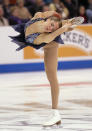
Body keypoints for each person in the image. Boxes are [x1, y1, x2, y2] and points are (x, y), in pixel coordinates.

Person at [10, 11, 75, 126]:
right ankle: (67, 23)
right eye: (51, 24)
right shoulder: (39, 16)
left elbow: (49, 37)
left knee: (51, 76)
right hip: (46, 34)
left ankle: (55, 113)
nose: (50, 28)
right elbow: (50, 15)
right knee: (59, 24)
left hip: (51, 43)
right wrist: (63, 23)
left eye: (52, 28)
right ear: (47, 19)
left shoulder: (46, 35)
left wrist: (63, 28)